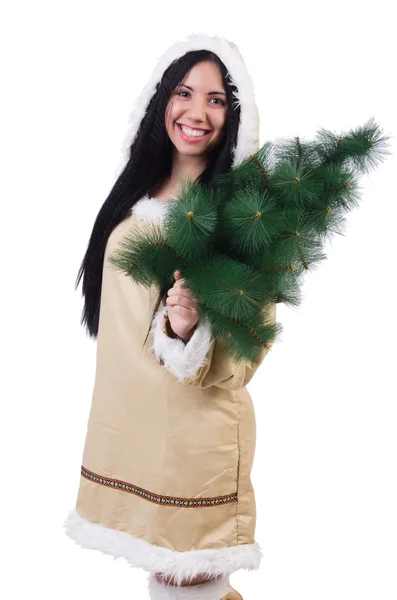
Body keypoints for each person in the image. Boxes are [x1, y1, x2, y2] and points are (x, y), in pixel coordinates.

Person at [64, 33, 277, 600]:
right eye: (185, 92)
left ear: (235, 115)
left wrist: (186, 331)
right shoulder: (134, 195)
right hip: (130, 431)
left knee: (192, 588)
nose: (197, 112)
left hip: (193, 441)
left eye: (216, 100)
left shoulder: (239, 215)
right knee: (167, 588)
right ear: (162, 100)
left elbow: (249, 341)